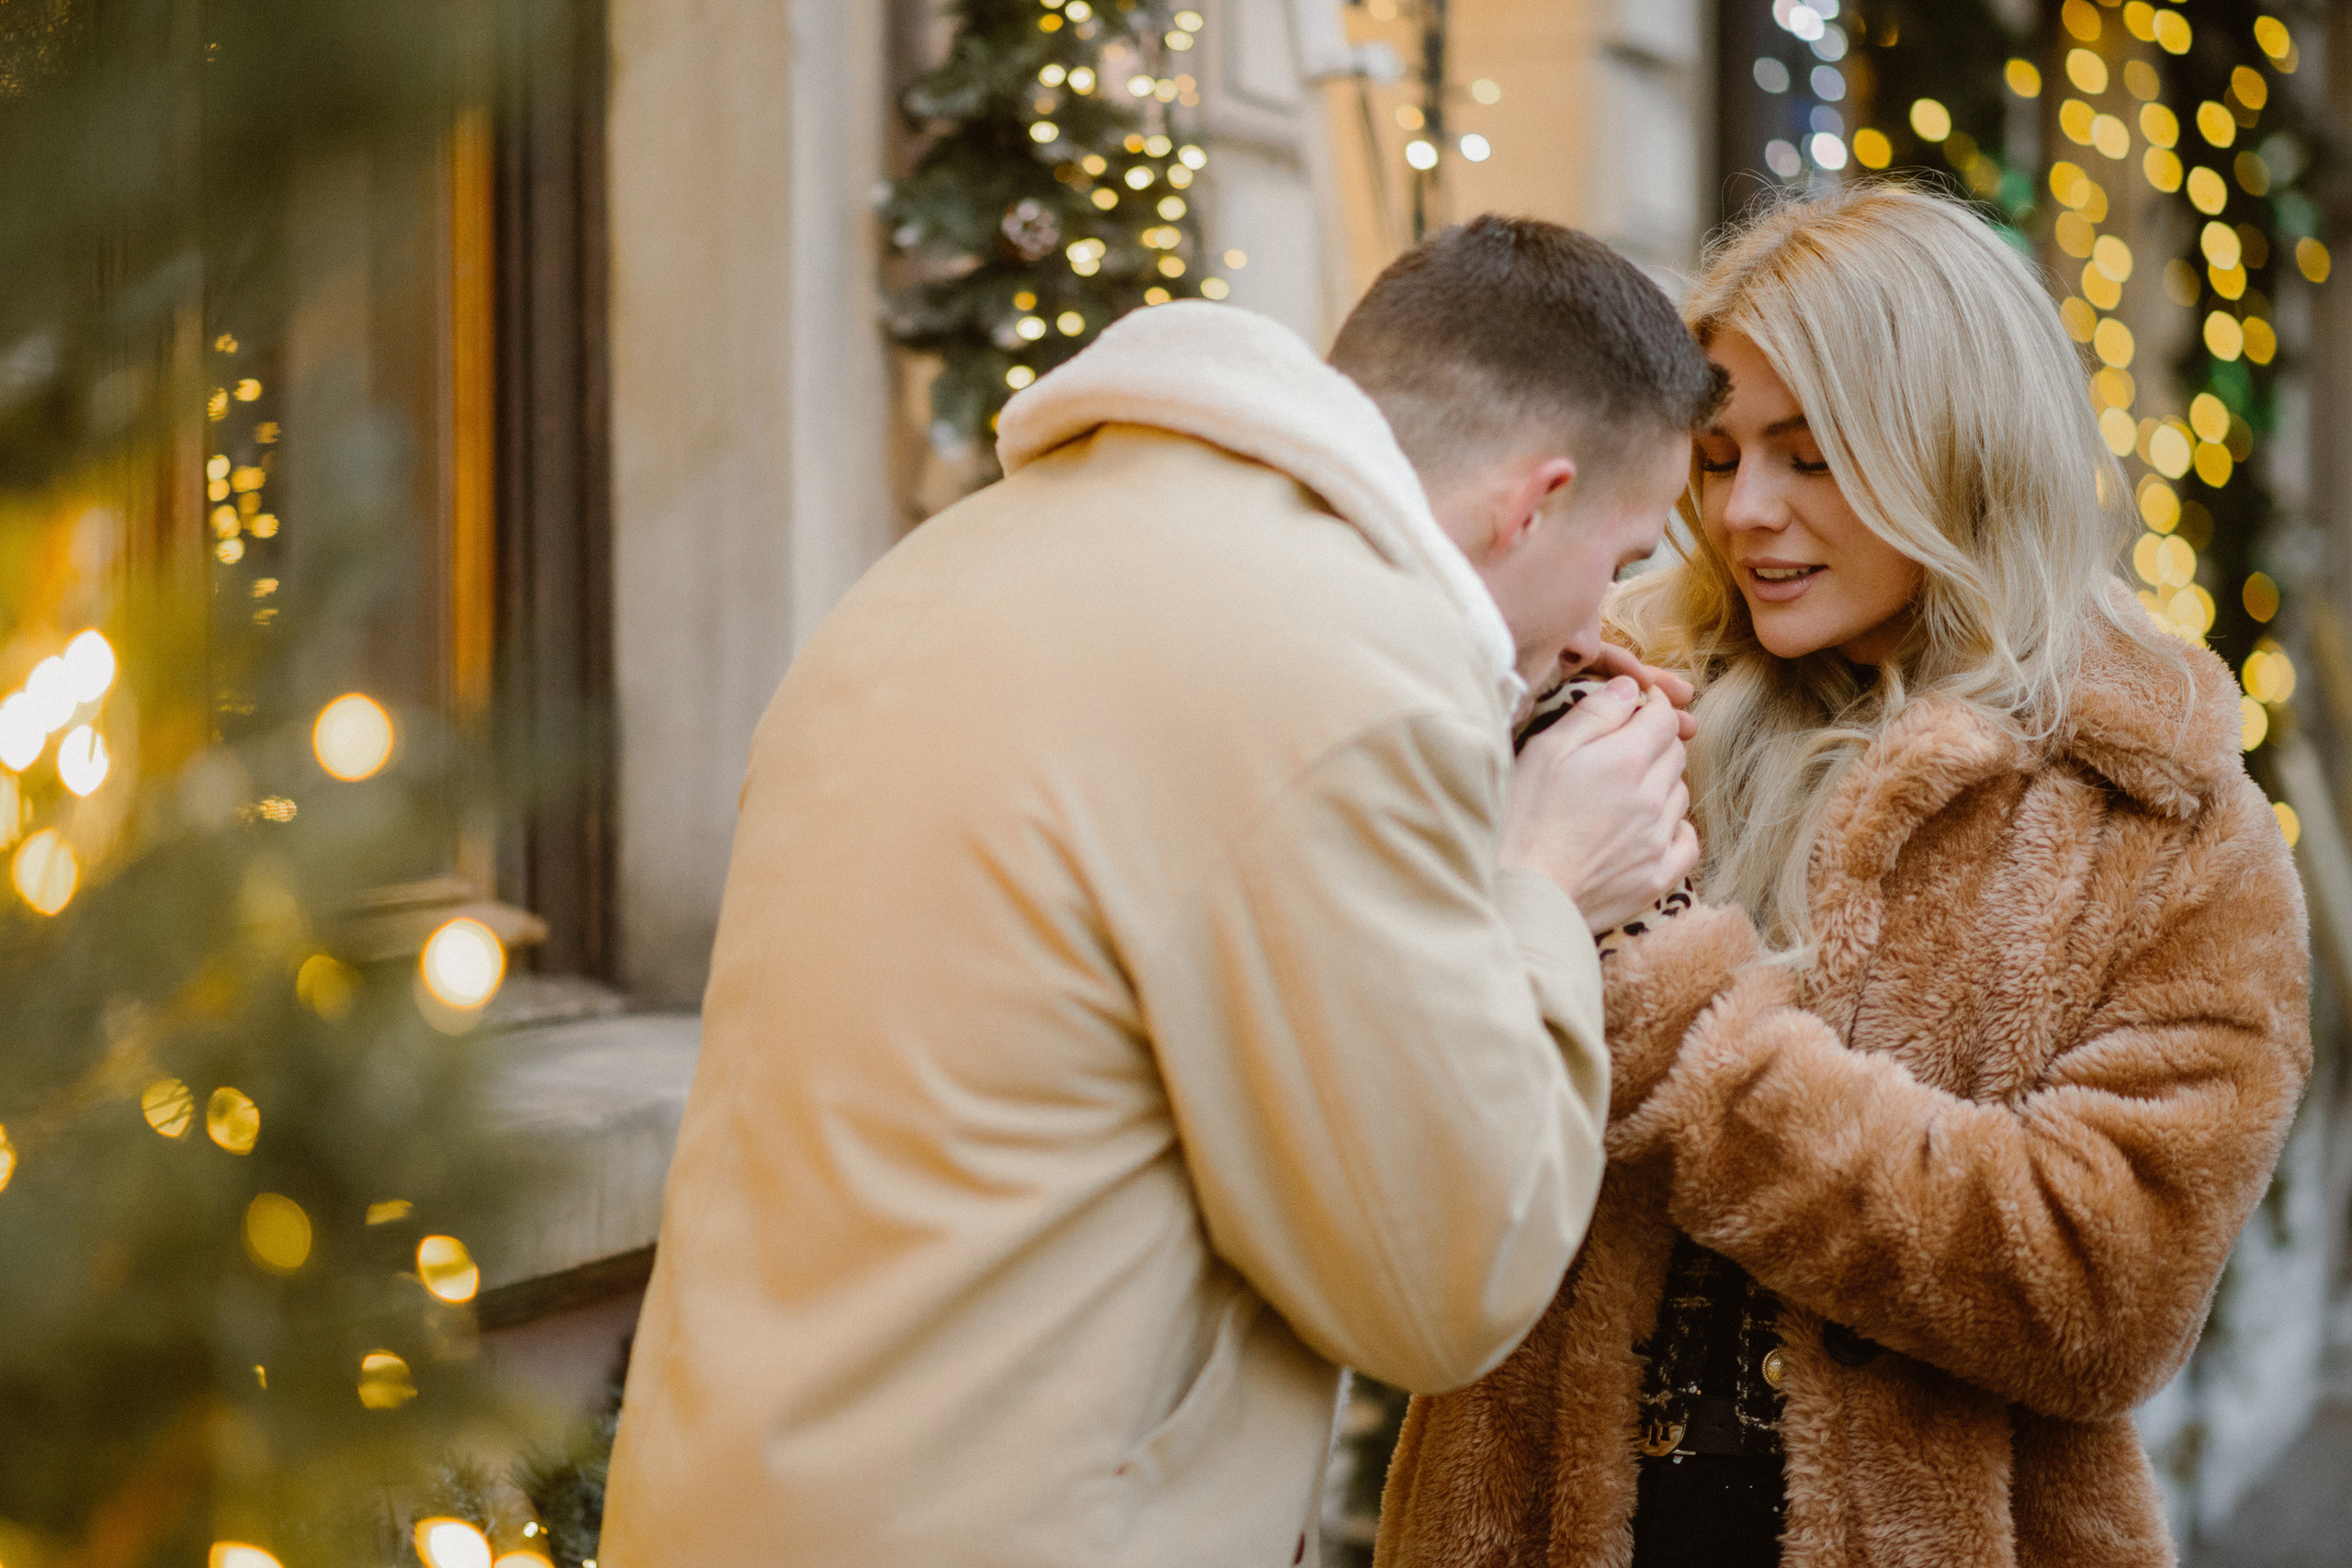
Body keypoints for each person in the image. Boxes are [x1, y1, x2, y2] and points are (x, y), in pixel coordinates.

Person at [600, 217, 1724, 1567]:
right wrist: (1548, 882)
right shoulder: (1344, 666)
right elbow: (1448, 1279)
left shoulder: (952, 564)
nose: (1601, 631)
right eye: (1623, 561)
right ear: (1533, 502)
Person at [1375, 186, 2312, 1568]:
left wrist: (1663, 1000)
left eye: (1811, 458)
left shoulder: (2158, 815)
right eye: (1715, 459)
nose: (1745, 513)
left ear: (1960, 454)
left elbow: (2100, 1295)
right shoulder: (1604, 718)